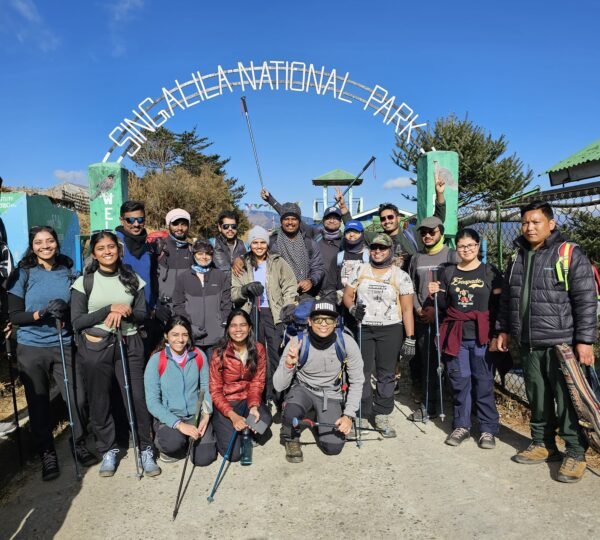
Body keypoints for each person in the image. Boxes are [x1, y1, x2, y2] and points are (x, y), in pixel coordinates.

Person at [495, 201, 598, 483]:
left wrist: (585, 341)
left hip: (561, 344)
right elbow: (508, 298)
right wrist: (503, 329)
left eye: (536, 222)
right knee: (537, 397)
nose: (529, 227)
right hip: (528, 343)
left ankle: (575, 452)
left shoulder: (569, 254)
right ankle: (543, 444)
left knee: (568, 401)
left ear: (551, 224)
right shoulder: (517, 257)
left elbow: (586, 300)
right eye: (525, 222)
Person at [8, 226, 96, 481]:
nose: (45, 246)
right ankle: (47, 452)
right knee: (38, 404)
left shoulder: (69, 272)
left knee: (77, 398)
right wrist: (41, 313)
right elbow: (15, 316)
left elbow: (81, 306)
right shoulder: (23, 274)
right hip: (31, 347)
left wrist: (67, 310)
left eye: (49, 241)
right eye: (38, 242)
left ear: (57, 243)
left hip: (63, 343)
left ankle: (78, 443)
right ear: (32, 246)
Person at [71, 231, 160, 477]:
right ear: (94, 254)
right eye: (101, 248)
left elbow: (143, 314)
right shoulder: (84, 282)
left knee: (137, 397)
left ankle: (145, 448)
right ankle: (108, 449)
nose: (107, 252)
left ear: (119, 250)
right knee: (100, 400)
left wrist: (126, 312)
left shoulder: (133, 279)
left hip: (130, 342)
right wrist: (108, 310)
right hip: (97, 345)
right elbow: (77, 322)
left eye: (111, 247)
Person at [428, 228, 502, 448]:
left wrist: (498, 333)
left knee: (484, 383)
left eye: (471, 245)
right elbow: (443, 306)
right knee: (460, 382)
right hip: (456, 336)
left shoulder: (490, 272)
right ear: (456, 249)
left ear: (478, 246)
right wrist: (435, 293)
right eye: (462, 246)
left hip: (482, 336)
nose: (466, 249)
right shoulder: (448, 273)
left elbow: (498, 307)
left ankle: (488, 428)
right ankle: (462, 425)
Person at [343, 234, 416, 436]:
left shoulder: (400, 275)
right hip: (364, 328)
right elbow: (348, 296)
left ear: (390, 250)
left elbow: (407, 309)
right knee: (362, 372)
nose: (377, 251)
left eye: (382, 248)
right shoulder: (360, 270)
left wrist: (410, 336)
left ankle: (382, 413)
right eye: (374, 248)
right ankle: (363, 413)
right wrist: (351, 309)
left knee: (386, 373)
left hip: (390, 328)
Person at [274, 301, 364, 463]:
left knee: (333, 448)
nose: (323, 324)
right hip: (303, 389)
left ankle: (319, 419)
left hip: (330, 393)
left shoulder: (347, 343)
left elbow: (357, 381)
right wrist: (289, 364)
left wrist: (349, 415)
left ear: (335, 323)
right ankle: (291, 437)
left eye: (329, 320)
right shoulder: (296, 342)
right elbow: (278, 385)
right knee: (291, 413)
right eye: (318, 319)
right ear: (309, 321)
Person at [231, 226, 297, 405]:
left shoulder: (277, 262)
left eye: (262, 242)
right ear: (249, 244)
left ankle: (279, 395)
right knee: (256, 355)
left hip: (273, 312)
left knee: (277, 353)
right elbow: (234, 292)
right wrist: (245, 290)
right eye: (255, 242)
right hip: (251, 311)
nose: (259, 246)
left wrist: (288, 307)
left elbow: (290, 286)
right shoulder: (242, 263)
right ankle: (259, 395)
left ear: (267, 244)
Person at [144, 316, 217, 466]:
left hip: (194, 415)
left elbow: (205, 388)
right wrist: (179, 425)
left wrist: (206, 416)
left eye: (184, 334)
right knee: (172, 443)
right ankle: (173, 444)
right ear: (166, 336)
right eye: (175, 335)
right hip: (171, 417)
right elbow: (152, 402)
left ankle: (190, 440)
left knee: (204, 458)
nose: (180, 339)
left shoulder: (199, 356)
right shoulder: (156, 360)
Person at [407, 215, 460, 422]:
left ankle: (458, 408)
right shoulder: (416, 258)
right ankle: (428, 406)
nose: (427, 235)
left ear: (441, 232)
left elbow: (457, 286)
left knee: (452, 365)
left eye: (432, 232)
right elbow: (409, 287)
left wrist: (438, 310)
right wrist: (419, 309)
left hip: (446, 319)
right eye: (423, 232)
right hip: (423, 320)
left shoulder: (452, 256)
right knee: (428, 365)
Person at [340, 176, 447, 270]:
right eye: (383, 219)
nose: (387, 221)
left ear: (398, 218)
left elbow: (437, 219)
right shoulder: (376, 237)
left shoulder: (413, 234)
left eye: (390, 217)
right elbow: (354, 229)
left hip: (411, 285)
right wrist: (343, 208)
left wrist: (440, 194)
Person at [261, 187, 348, 301]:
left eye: (335, 218)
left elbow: (354, 228)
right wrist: (271, 200)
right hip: (314, 292)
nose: (332, 221)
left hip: (335, 293)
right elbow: (289, 216)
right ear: (323, 220)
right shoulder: (315, 235)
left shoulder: (345, 241)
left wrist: (343, 207)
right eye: (328, 218)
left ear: (341, 221)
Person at [209, 310, 272, 462]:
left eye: (243, 325)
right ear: (228, 329)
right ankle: (223, 427)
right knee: (233, 455)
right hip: (227, 404)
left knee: (263, 423)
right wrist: (233, 416)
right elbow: (215, 391)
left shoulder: (258, 349)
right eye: (234, 326)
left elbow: (257, 382)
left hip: (247, 400)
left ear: (250, 327)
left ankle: (245, 428)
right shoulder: (219, 353)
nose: (238, 330)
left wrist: (254, 406)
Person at [173, 239, 231, 361]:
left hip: (215, 337)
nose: (204, 257)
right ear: (193, 255)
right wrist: (188, 325)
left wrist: (222, 324)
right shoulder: (183, 277)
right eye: (200, 253)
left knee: (214, 374)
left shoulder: (220, 276)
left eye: (208, 253)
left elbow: (226, 303)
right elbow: (178, 304)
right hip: (192, 337)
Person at [264, 202, 325, 298]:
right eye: (286, 219)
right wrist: (241, 259)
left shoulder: (310, 243)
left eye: (294, 219)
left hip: (304, 295)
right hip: (278, 295)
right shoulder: (271, 243)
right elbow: (255, 257)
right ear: (281, 221)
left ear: (299, 222)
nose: (290, 222)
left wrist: (311, 281)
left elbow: (318, 267)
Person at [155, 208, 193, 323]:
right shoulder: (158, 247)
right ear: (168, 225)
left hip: (184, 309)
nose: (180, 228)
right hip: (161, 308)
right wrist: (155, 306)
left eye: (184, 224)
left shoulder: (193, 251)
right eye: (175, 224)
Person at [336, 219, 369, 335]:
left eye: (356, 231)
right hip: (342, 307)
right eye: (348, 232)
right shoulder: (339, 257)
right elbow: (332, 280)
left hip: (363, 307)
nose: (352, 235)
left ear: (361, 234)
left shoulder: (368, 256)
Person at [212, 210, 247, 277]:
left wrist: (242, 258)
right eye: (226, 226)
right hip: (219, 286)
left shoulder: (244, 246)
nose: (230, 229)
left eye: (233, 226)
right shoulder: (212, 244)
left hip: (239, 286)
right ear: (219, 227)